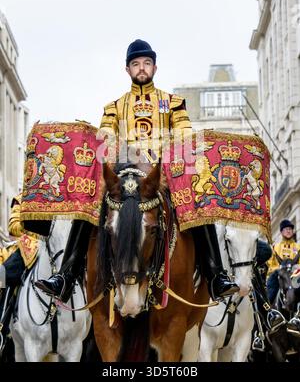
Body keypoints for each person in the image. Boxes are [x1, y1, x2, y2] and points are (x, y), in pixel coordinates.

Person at [35, 39, 239, 302]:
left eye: (146, 63)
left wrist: (171, 153)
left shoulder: (173, 103)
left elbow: (184, 133)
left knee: (197, 202)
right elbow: (106, 135)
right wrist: (113, 145)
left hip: (161, 176)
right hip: (125, 176)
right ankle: (66, 275)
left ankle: (215, 275)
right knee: (89, 202)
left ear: (154, 67)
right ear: (128, 70)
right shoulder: (114, 107)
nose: (141, 68)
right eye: (136, 64)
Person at [0, 194, 39, 347]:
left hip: (54, 246)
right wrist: (30, 223)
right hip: (29, 246)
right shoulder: (22, 197)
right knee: (4, 274)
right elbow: (13, 226)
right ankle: (2, 326)